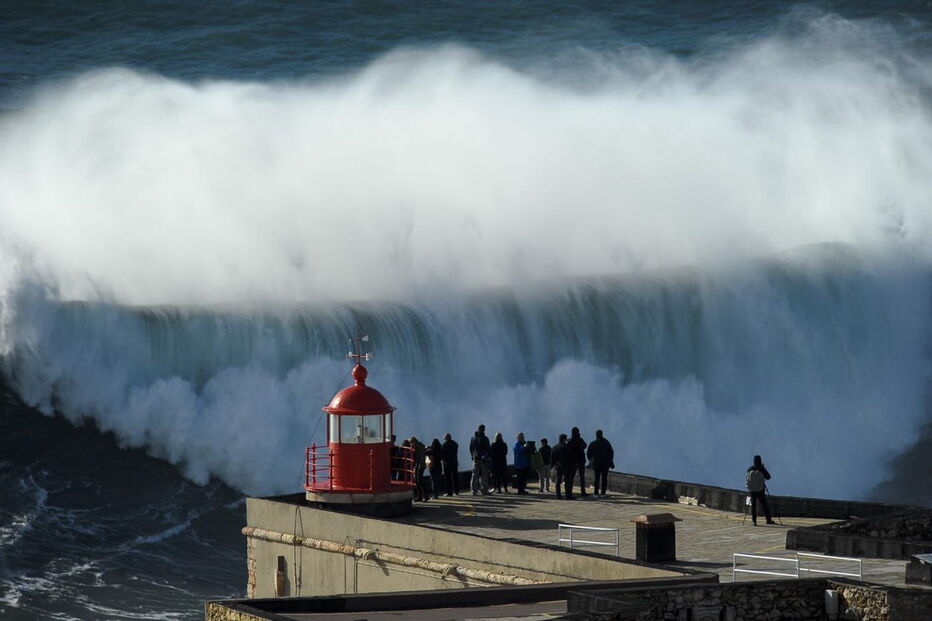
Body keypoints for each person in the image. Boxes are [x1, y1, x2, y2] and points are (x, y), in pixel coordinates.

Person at [746, 455, 775, 525]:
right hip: (760, 490)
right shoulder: (762, 469)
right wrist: (763, 468)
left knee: (753, 506)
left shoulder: (750, 468)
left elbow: (747, 472)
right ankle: (768, 520)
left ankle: (754, 521)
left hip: (752, 490)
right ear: (760, 460)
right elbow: (768, 477)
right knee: (764, 505)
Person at [586, 429, 614, 497]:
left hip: (596, 464)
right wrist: (610, 461)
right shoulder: (607, 442)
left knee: (596, 479)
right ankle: (603, 493)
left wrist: (591, 461)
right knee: (604, 479)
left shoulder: (593, 443)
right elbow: (611, 453)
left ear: (596, 435)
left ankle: (596, 493)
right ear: (602, 434)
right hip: (605, 464)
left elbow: (588, 453)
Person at [469, 424, 491, 495]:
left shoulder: (473, 438)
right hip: (483, 459)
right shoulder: (485, 438)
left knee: (474, 475)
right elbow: (488, 449)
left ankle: (473, 490)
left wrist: (473, 456)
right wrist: (488, 457)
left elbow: (471, 448)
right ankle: (484, 490)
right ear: (484, 430)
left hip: (475, 459)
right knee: (484, 475)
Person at [552, 434, 575, 499]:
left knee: (558, 481)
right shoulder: (566, 447)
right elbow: (570, 457)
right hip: (566, 466)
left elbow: (552, 458)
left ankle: (558, 495)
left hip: (558, 466)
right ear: (564, 439)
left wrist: (553, 465)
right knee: (567, 481)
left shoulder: (554, 447)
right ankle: (568, 495)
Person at [567, 427, 589, 497]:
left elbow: (568, 449)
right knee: (582, 477)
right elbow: (585, 446)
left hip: (573, 461)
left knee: (571, 477)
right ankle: (583, 492)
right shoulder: (580, 440)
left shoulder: (570, 441)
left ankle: (569, 491)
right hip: (581, 460)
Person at [410, 436, 428, 502]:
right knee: (417, 481)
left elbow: (422, 457)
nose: (411, 445)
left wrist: (418, 466)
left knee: (420, 481)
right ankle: (420, 496)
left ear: (414, 442)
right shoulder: (417, 447)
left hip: (421, 465)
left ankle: (425, 496)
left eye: (412, 443)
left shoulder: (420, 446)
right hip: (418, 465)